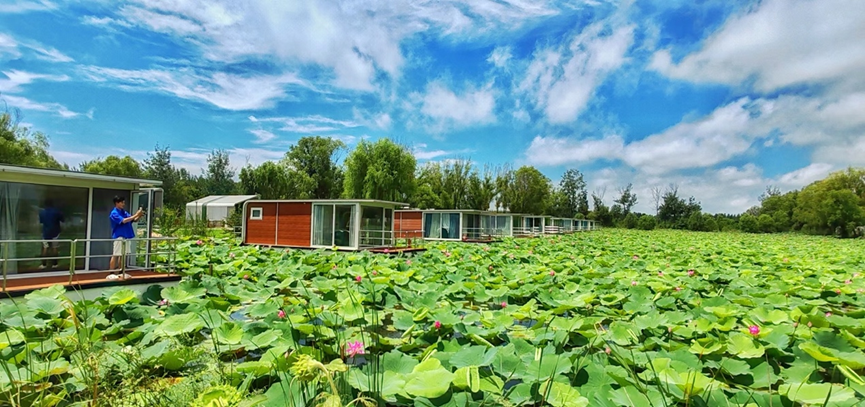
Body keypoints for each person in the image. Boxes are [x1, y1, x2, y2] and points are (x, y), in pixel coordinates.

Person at [109, 196, 144, 271]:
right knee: (116, 254)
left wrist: (139, 215)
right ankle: (111, 272)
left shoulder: (124, 212)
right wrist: (136, 214)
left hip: (127, 235)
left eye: (124, 202)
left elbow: (133, 220)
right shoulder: (114, 213)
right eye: (122, 202)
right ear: (117, 203)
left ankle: (121, 271)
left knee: (123, 255)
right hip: (119, 235)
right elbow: (123, 221)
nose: (123, 204)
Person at [39, 199, 64, 269]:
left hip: (45, 233)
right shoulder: (57, 212)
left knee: (45, 248)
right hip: (55, 233)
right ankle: (55, 264)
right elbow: (62, 220)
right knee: (55, 248)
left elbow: (41, 222)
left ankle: (43, 264)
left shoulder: (42, 212)